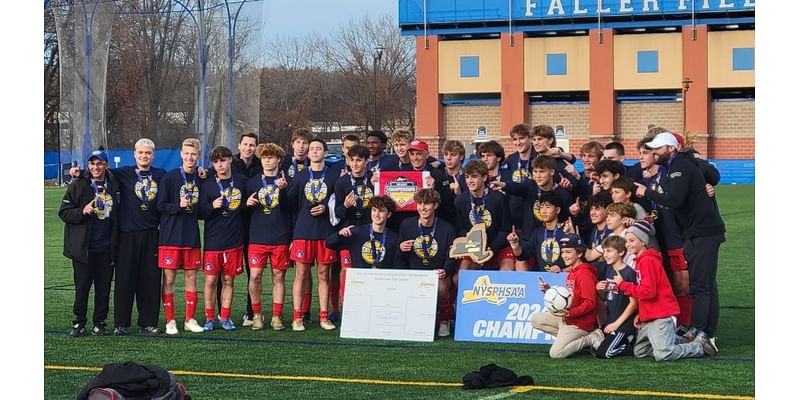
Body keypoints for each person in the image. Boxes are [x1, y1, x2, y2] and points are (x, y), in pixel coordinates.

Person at [634, 131, 726, 350]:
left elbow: (675, 199)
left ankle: (701, 332)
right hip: (699, 231)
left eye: (658, 148)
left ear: (671, 149)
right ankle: (702, 330)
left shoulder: (680, 166)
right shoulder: (676, 166)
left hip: (702, 231)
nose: (654, 152)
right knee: (705, 284)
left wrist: (647, 192)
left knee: (700, 286)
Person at [613, 221, 717, 360]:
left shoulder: (647, 261)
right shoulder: (641, 260)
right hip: (650, 316)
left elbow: (648, 292)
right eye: (626, 241)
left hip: (659, 315)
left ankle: (699, 345)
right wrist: (641, 313)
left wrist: (623, 285)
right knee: (640, 351)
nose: (628, 244)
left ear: (643, 242)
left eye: (632, 240)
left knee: (663, 354)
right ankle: (679, 340)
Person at [59, 149, 119, 337]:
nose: (95, 167)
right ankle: (79, 322)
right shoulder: (78, 185)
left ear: (106, 165)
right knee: (82, 287)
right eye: (92, 163)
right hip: (84, 248)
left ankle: (99, 323)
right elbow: (64, 212)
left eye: (99, 163)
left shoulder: (114, 182)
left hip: (107, 246)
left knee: (103, 288)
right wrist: (82, 212)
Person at [110, 139, 165, 335]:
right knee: (124, 280)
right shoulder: (123, 173)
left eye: (148, 153)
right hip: (127, 236)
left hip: (151, 235)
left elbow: (182, 179)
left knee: (150, 281)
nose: (144, 156)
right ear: (134, 154)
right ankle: (121, 324)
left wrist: (204, 172)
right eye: (141, 152)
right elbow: (97, 172)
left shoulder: (161, 175)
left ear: (153, 155)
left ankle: (148, 322)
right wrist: (78, 173)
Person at [637, 137, 692, 332]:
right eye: (640, 153)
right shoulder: (642, 181)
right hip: (654, 243)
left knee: (682, 286)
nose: (641, 157)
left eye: (645, 153)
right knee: (663, 285)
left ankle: (685, 326)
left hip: (675, 238)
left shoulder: (669, 176)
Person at [285, 138, 339, 331]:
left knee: (324, 274)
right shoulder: (299, 177)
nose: (315, 151)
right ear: (307, 154)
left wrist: (326, 208)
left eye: (319, 149)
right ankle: (297, 317)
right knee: (301, 274)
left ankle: (324, 316)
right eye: (312, 149)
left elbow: (337, 206)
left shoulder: (334, 177)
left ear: (325, 153)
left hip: (325, 232)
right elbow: (290, 206)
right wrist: (283, 190)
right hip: (303, 231)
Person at [156, 138, 206, 335]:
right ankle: (170, 321)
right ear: (181, 154)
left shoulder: (201, 178)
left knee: (192, 277)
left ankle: (189, 319)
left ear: (198, 156)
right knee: (169, 280)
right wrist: (178, 206)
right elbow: (160, 206)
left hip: (191, 236)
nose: (190, 157)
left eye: (194, 154)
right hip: (170, 237)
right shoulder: (169, 178)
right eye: (187, 153)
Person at [522, 234, 600, 359]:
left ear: (579, 254)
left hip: (580, 323)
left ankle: (589, 339)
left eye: (569, 252)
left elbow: (590, 303)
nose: (564, 256)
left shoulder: (584, 274)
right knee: (536, 319)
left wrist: (571, 313)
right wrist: (548, 290)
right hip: (567, 319)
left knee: (556, 354)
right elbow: (569, 298)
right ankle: (569, 339)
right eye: (563, 252)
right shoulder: (572, 272)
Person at [198, 146, 248, 332]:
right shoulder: (207, 184)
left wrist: (246, 204)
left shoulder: (242, 181)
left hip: (234, 240)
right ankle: (209, 318)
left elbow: (244, 206)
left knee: (228, 280)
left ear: (230, 161)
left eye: (223, 160)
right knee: (211, 281)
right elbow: (200, 212)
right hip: (213, 240)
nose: (220, 165)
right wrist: (212, 206)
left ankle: (225, 317)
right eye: (216, 162)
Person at [398, 189, 458, 337]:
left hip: (436, 273)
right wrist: (401, 248)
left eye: (427, 204)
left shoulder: (447, 228)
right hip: (414, 273)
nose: (423, 207)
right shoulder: (406, 225)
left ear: (436, 205)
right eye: (420, 203)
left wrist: (446, 270)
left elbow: (451, 256)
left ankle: (445, 320)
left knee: (442, 286)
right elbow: (399, 257)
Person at [245, 143, 291, 331]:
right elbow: (244, 210)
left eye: (271, 157)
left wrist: (284, 191)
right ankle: (256, 315)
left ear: (278, 160)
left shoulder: (287, 181)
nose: (267, 160)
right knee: (255, 276)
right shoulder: (252, 182)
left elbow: (290, 209)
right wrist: (246, 204)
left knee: (278, 276)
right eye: (264, 157)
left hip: (280, 236)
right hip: (257, 237)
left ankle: (276, 316)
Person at [454, 159, 512, 274]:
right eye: (467, 177)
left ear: (484, 178)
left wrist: (491, 249)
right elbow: (462, 229)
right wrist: (474, 248)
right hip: (474, 247)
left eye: (474, 176)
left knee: (507, 272)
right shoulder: (460, 200)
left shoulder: (498, 198)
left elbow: (505, 229)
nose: (470, 181)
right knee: (461, 276)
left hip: (498, 246)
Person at [593, 235, 638, 358]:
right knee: (592, 350)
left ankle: (630, 339)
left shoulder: (629, 273)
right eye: (605, 251)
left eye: (609, 251)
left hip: (623, 325)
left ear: (621, 252)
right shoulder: (609, 270)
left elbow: (634, 304)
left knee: (604, 354)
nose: (605, 255)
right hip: (610, 321)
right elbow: (609, 297)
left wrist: (616, 324)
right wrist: (599, 290)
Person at [326, 196, 401, 268]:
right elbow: (329, 244)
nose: (377, 214)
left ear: (388, 214)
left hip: (382, 279)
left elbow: (397, 265)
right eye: (374, 210)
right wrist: (339, 234)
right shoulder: (357, 233)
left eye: (381, 211)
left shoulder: (394, 238)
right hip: (359, 279)